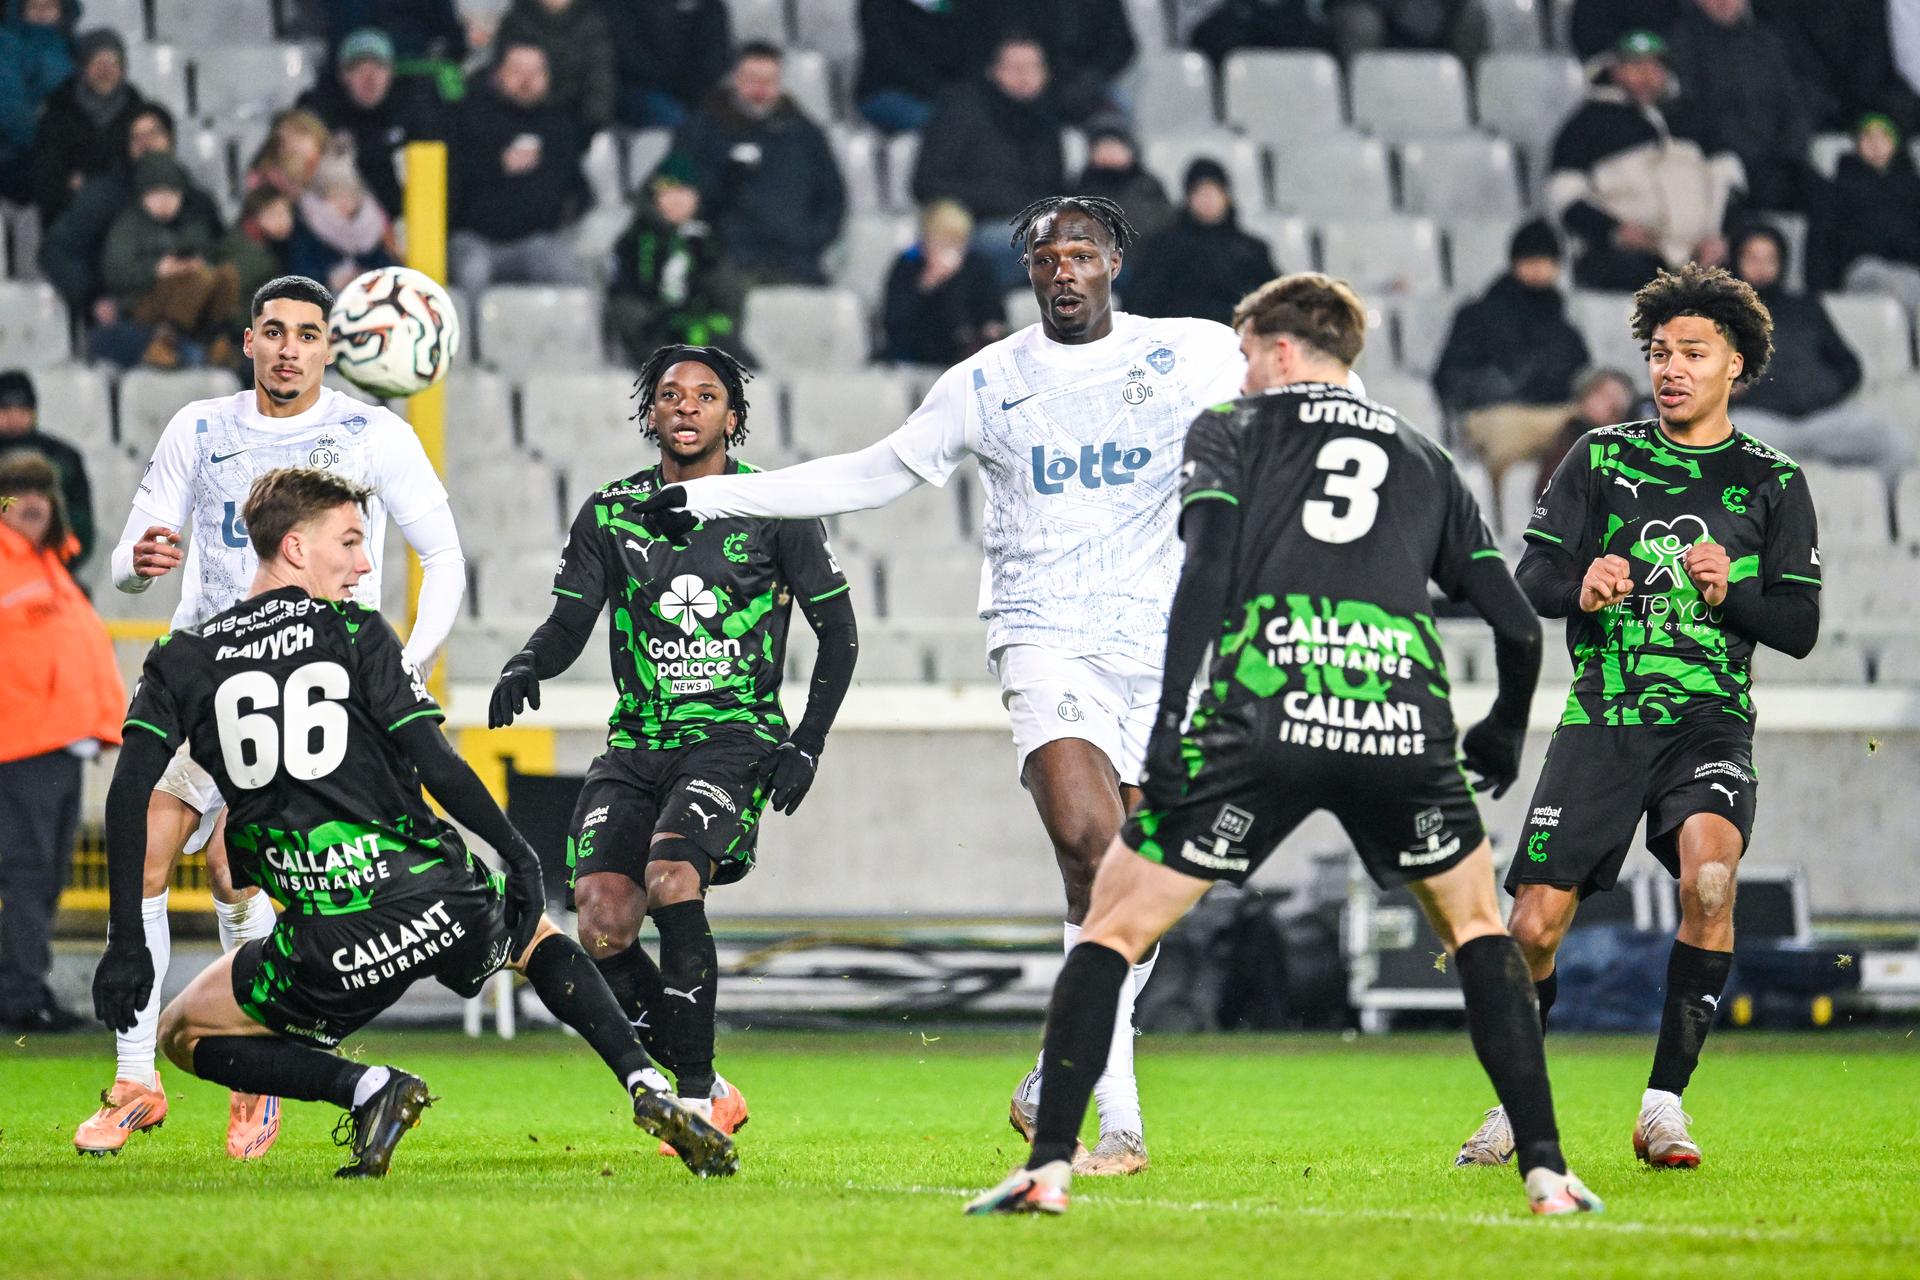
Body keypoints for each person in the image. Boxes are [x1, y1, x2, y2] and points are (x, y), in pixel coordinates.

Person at [634, 196, 1286, 1177]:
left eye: (1082, 252)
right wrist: (717, 491)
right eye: (1046, 255)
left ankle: (1045, 1074)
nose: (1064, 269)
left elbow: (1299, 388)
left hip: (1158, 651)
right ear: (1026, 270)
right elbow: (870, 473)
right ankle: (1111, 1121)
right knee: (1093, 848)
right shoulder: (988, 382)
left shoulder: (1190, 353)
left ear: (1115, 260)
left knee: (1144, 889)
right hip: (1043, 637)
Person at [963, 271, 1598, 1219]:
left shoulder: (1234, 431)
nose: (1242, 373)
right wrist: (1501, 732)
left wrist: (1173, 723)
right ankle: (1547, 1172)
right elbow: (1516, 625)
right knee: (1476, 932)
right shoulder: (1425, 458)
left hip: (1263, 712)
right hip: (1397, 717)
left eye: (1249, 353)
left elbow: (1207, 579)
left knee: (1112, 924)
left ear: (1285, 350)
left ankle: (1048, 1165)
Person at [90, 467, 737, 1180]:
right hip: (439, 901)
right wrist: (518, 857)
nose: (365, 562)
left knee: (183, 1032)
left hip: (328, 945)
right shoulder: (358, 633)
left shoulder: (185, 658)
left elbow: (128, 793)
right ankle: (645, 1083)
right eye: (352, 541)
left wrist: (126, 942)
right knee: (535, 937)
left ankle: (367, 1088)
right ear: (297, 548)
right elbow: (438, 762)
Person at [73, 275, 469, 1161]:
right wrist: (139, 564)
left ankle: (254, 1075)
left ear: (333, 347)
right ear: (248, 341)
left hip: (303, 690)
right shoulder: (199, 428)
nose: (290, 348)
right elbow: (130, 560)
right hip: (203, 672)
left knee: (230, 869)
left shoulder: (374, 433)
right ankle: (136, 1077)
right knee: (141, 840)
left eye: (308, 334)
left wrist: (407, 664)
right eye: (274, 332)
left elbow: (443, 557)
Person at [1453, 263, 1820, 1172]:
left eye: (1693, 352)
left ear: (1735, 363)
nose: (1672, 368)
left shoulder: (1774, 479)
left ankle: (1663, 1106)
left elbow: (1801, 628)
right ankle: (1516, 1101)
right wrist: (1579, 581)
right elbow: (1530, 580)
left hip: (1708, 724)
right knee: (1532, 927)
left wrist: (1731, 593)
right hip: (1602, 721)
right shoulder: (1601, 457)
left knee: (1708, 885)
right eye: (1660, 352)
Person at [489, 345, 858, 1142]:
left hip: (733, 735)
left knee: (670, 874)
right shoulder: (611, 511)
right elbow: (569, 622)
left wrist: (807, 742)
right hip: (637, 743)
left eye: (705, 395)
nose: (686, 407)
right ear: (649, 412)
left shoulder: (777, 505)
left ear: (733, 415)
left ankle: (690, 1093)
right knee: (601, 919)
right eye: (670, 395)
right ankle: (712, 1080)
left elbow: (841, 634)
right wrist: (527, 662)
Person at [0, 453, 122, 1034]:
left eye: (42, 489)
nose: (33, 500)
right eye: (17, 489)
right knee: (28, 874)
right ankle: (20, 996)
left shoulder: (50, 567)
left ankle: (22, 988)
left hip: (56, 748)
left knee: (41, 876)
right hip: (18, 749)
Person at [1547, 30, 1743, 291]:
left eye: (1654, 65)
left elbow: (1729, 180)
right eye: (1635, 65)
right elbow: (1562, 195)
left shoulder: (1693, 116)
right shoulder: (1586, 124)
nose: (1645, 75)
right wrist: (1614, 231)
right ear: (1614, 69)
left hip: (1699, 254)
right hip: (1627, 257)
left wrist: (1718, 237)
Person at [1727, 223, 1908, 474]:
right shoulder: (1720, 315)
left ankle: (1866, 510)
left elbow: (1849, 366)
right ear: (1736, 260)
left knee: (1892, 443)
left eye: (1770, 259)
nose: (1762, 267)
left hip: (1822, 419)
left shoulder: (1806, 307)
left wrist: (1821, 388)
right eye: (1753, 258)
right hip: (1761, 423)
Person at [1434, 219, 1593, 499]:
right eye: (1529, 258)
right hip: (1497, 415)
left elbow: (1582, 377)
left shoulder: (1564, 329)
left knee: (1595, 428)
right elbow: (1450, 377)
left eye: (1545, 259)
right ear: (1514, 262)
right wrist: (1508, 387)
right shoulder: (1478, 315)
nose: (1537, 266)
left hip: (1555, 418)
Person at [669, 42, 846, 286]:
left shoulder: (805, 133)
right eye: (752, 80)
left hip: (796, 264)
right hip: (727, 265)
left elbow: (833, 197)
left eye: (769, 81)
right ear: (735, 79)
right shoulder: (701, 131)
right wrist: (726, 176)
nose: (761, 90)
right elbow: (679, 197)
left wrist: (808, 239)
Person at [40, 103, 223, 325]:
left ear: (171, 139)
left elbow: (221, 249)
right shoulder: (103, 196)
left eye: (153, 133)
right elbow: (57, 248)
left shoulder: (196, 200)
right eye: (136, 136)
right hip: (126, 314)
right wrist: (92, 298)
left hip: (194, 310)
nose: (145, 142)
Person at [912, 39, 1065, 289]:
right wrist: (996, 199)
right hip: (975, 228)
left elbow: (1055, 189)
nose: (1024, 77)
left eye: (1032, 67)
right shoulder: (961, 111)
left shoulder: (1046, 121)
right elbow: (926, 182)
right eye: (1014, 67)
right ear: (993, 71)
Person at [446, 40, 592, 289]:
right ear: (498, 73)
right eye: (517, 71)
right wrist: (498, 164)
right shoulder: (470, 116)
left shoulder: (559, 127)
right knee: (472, 270)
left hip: (534, 242)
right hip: (476, 240)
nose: (526, 80)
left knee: (568, 270)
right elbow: (451, 177)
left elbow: (579, 189)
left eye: (535, 72)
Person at [1664, 0, 1810, 211]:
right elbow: (1687, 113)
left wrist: (1790, 155)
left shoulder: (1766, 42)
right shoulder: (1679, 45)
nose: (1724, 2)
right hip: (1715, 166)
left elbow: (1793, 105)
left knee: (1826, 196)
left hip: (1776, 161)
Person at [98, 153, 238, 369]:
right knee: (197, 279)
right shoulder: (127, 228)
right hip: (141, 302)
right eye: (156, 194)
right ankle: (162, 342)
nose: (165, 202)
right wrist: (158, 269)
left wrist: (198, 263)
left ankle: (218, 340)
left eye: (172, 194)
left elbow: (216, 252)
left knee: (226, 275)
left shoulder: (191, 223)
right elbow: (116, 271)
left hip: (189, 301)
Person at [606, 161, 746, 363]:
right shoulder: (636, 238)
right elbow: (626, 293)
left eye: (684, 192)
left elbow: (725, 292)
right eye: (669, 192)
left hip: (699, 330)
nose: (677, 201)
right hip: (652, 333)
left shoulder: (710, 239)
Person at [1122, 158, 1277, 327]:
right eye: (1200, 193)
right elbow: (1139, 301)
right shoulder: (1163, 247)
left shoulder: (1251, 249)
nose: (1207, 200)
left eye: (1214, 192)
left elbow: (1278, 297)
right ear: (1188, 199)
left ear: (1227, 197)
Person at [294, 28, 428, 221]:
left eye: (379, 67)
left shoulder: (412, 111)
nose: (370, 78)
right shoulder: (322, 114)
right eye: (359, 69)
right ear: (343, 75)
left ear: (391, 73)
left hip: (401, 221)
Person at [31, 27, 146, 226]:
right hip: (72, 217)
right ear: (83, 67)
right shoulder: (58, 112)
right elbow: (46, 178)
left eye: (113, 63)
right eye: (98, 62)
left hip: (128, 216)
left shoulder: (139, 112)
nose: (106, 71)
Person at [878, 199, 1007, 367]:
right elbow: (894, 321)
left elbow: (995, 313)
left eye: (957, 242)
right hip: (919, 350)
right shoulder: (908, 263)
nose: (951, 249)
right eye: (942, 241)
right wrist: (929, 282)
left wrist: (990, 328)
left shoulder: (977, 263)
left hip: (970, 351)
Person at [964, 0, 1136, 124]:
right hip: (1022, 81)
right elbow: (983, 39)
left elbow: (1123, 45)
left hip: (1089, 82)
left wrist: (1092, 79)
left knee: (1113, 131)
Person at [1820, 114, 1920, 316]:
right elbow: (1824, 240)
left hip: (1910, 270)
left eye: (1883, 137)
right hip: (1861, 269)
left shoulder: (1912, 187)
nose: (1876, 144)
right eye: (1868, 137)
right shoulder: (1840, 186)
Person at [0, 369, 95, 574]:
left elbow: (80, 521)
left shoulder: (63, 457)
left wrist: (58, 560)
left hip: (52, 567)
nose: (13, 415)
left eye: (21, 407)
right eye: (5, 408)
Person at [606, 0, 731, 131]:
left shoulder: (709, 6)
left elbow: (716, 55)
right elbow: (626, 53)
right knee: (679, 122)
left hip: (693, 92)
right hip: (636, 88)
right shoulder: (618, 5)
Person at [494, 0, 616, 131]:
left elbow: (600, 80)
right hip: (516, 117)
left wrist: (591, 127)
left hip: (574, 120)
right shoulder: (517, 19)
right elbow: (500, 74)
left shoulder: (592, 23)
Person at [287, 156, 398, 294]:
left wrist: (370, 275)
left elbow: (389, 266)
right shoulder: (312, 228)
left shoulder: (373, 225)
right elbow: (303, 274)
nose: (344, 202)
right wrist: (330, 280)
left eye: (348, 195)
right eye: (336, 196)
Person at [854, 0, 969, 133]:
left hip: (941, 94)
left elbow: (958, 53)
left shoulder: (945, 7)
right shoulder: (879, 5)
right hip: (884, 90)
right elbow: (890, 56)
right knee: (950, 124)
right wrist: (942, 93)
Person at [0, 0, 75, 203]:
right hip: (17, 155)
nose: (42, 13)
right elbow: (10, 107)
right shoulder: (7, 45)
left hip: (63, 153)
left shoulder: (74, 47)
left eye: (49, 6)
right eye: (35, 7)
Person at [1534, 367, 1638, 497]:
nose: (1612, 403)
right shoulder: (1572, 434)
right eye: (1603, 395)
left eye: (1619, 396)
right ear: (1584, 400)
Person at [1070, 125, 1175, 245]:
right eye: (1102, 148)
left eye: (1114, 147)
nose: (1109, 154)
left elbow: (1165, 224)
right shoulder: (1082, 188)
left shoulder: (1148, 186)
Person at [220, 185, 297, 332]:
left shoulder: (278, 245)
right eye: (274, 214)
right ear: (256, 217)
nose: (284, 220)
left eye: (287, 213)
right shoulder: (251, 255)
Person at [242, 108, 333, 200]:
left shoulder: (328, 173)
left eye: (300, 132)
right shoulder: (263, 181)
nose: (290, 138)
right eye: (283, 134)